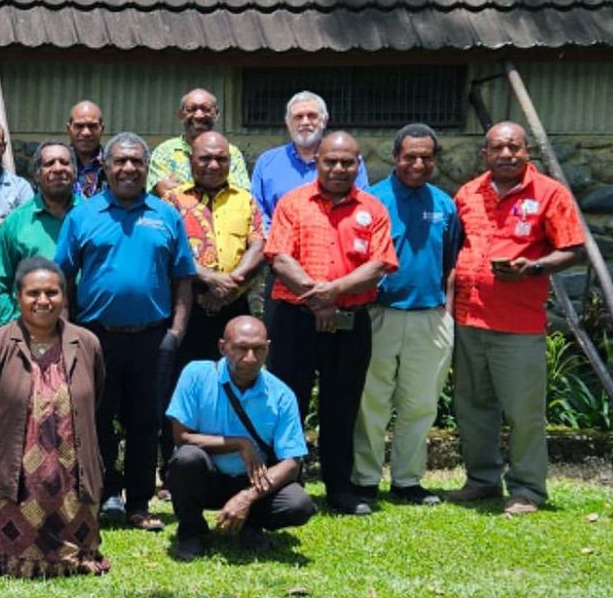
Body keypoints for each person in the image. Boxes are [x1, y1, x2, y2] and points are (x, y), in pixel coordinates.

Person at [55, 132, 196, 531]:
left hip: (153, 338)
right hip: (96, 337)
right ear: (107, 167)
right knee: (96, 418)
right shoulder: (83, 215)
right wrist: (67, 332)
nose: (128, 168)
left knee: (145, 421)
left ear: (146, 168)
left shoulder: (166, 215)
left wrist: (176, 334)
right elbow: (62, 275)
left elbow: (183, 278)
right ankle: (103, 496)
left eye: (136, 162)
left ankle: (138, 501)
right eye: (120, 161)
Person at [448, 122, 584, 515]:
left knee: (523, 412)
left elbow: (573, 249)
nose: (506, 154)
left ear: (528, 151)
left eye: (514, 147)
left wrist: (535, 267)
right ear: (484, 154)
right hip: (469, 318)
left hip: (518, 324)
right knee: (473, 406)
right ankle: (482, 479)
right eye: (498, 148)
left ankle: (527, 489)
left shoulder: (549, 194)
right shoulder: (468, 194)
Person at [264, 131, 397, 516]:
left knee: (343, 405)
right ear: (317, 161)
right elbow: (279, 257)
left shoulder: (373, 208)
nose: (339, 168)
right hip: (294, 320)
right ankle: (288, 484)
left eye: (347, 162)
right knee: (289, 402)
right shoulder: (293, 203)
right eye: (331, 161)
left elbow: (378, 266)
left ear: (359, 165)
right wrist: (317, 298)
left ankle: (341, 488)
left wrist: (331, 294)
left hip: (350, 321)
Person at [0, 257, 109, 577]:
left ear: (65, 297)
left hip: (73, 469)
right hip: (15, 471)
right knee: (15, 535)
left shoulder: (86, 343)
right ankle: (13, 558)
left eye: (52, 293)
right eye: (33, 293)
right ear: (18, 297)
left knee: (74, 523)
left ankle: (76, 556)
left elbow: (94, 396)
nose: (43, 301)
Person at [353, 124, 461, 506]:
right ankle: (365, 479)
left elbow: (452, 262)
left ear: (435, 160)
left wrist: (447, 310)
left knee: (420, 403)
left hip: (429, 319)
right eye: (410, 156)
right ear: (395, 156)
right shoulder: (371, 200)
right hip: (379, 314)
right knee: (372, 401)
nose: (418, 163)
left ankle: (407, 482)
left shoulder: (445, 205)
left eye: (426, 157)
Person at [158, 131, 265, 485]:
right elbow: (170, 250)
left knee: (235, 380)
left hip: (235, 307)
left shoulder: (246, 201)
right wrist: (208, 279)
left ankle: (233, 461)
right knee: (180, 385)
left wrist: (229, 282)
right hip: (188, 306)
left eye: (220, 158)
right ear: (191, 161)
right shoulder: (172, 201)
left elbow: (258, 245)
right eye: (205, 158)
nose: (213, 164)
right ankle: (174, 465)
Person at [164, 316, 315, 561]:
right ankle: (191, 531)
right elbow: (181, 437)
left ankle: (252, 525)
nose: (250, 357)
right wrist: (239, 443)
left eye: (258, 349)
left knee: (299, 504)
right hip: (208, 478)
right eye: (241, 348)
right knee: (186, 459)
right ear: (223, 347)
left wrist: (248, 496)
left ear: (268, 347)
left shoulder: (281, 395)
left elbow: (291, 463)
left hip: (254, 483)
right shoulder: (196, 374)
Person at [0, 141, 78, 326]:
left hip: (85, 328)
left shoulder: (91, 217)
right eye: (49, 163)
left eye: (64, 162)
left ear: (74, 171)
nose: (58, 168)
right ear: (37, 174)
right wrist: (10, 329)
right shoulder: (16, 223)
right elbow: (1, 284)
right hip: (31, 331)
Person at [250, 91, 368, 223]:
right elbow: (258, 212)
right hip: (279, 240)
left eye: (312, 116)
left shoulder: (348, 162)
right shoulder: (267, 163)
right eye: (298, 117)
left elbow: (361, 205)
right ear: (288, 122)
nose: (305, 122)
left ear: (324, 120)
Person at [148, 88, 251, 195]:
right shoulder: (164, 152)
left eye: (205, 109)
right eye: (191, 109)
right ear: (181, 115)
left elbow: (240, 195)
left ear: (216, 114)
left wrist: (184, 191)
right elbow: (167, 195)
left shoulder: (232, 152)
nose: (199, 115)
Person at [66, 100, 107, 197]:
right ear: (68, 129)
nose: (86, 133)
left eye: (92, 126)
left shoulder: (112, 165)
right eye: (79, 126)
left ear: (102, 129)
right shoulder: (57, 165)